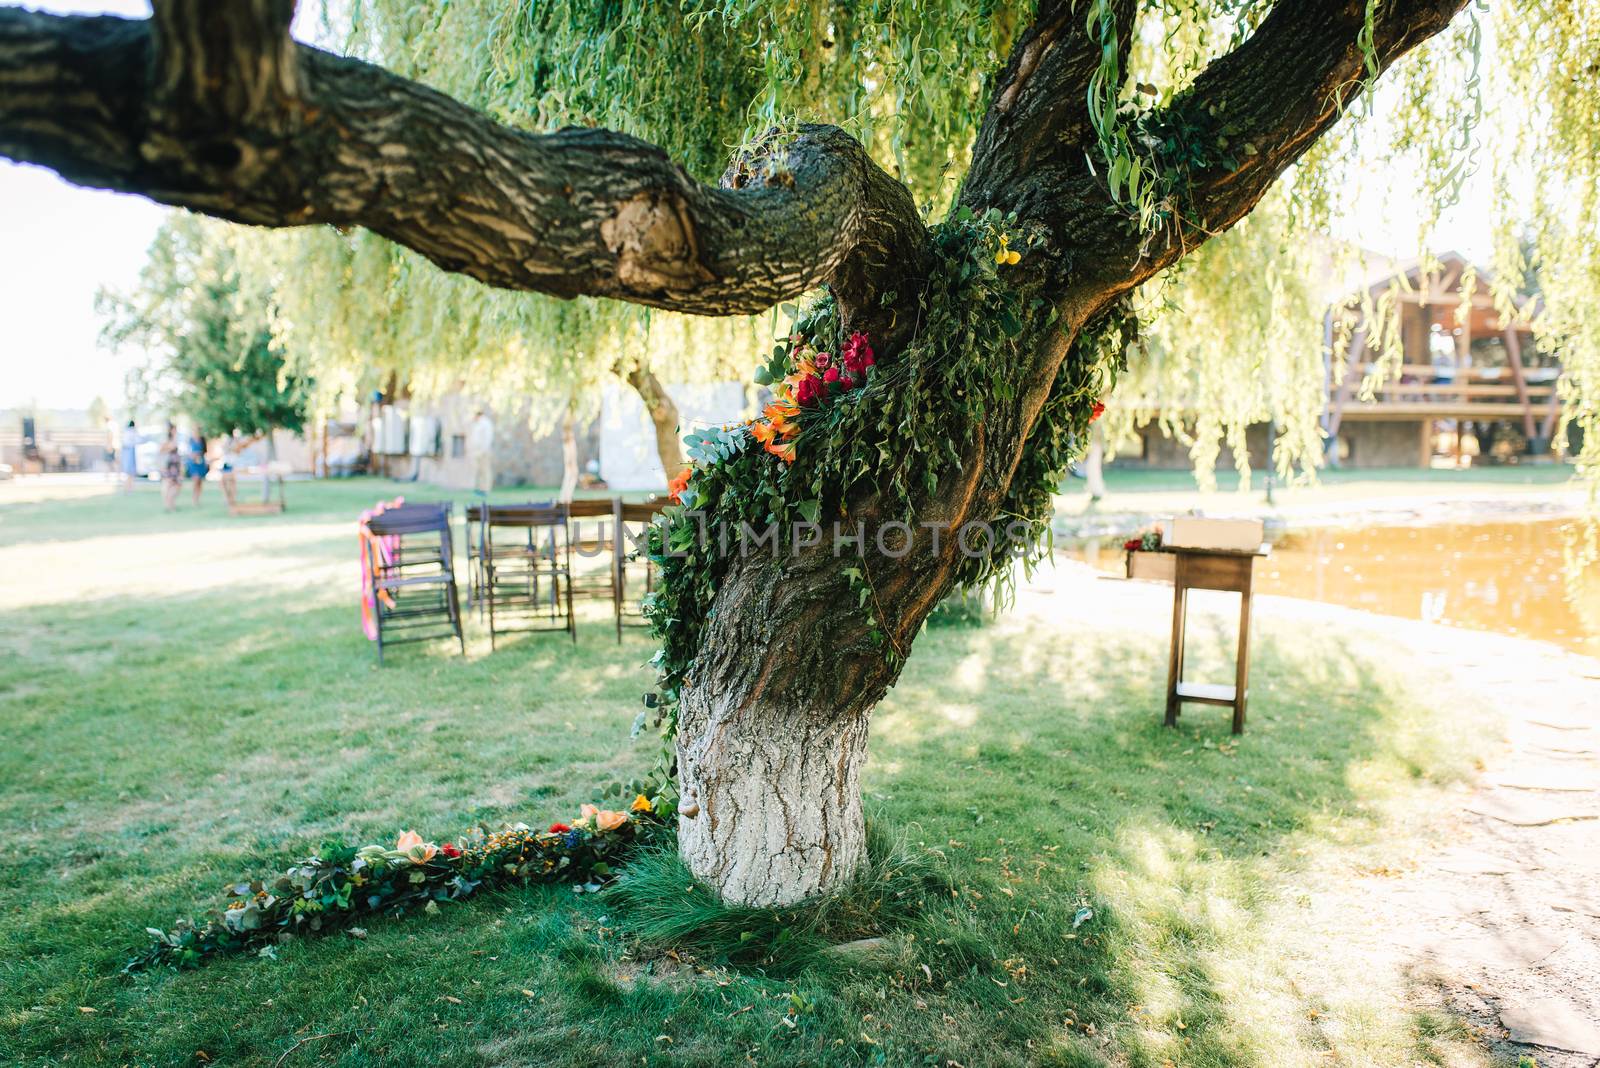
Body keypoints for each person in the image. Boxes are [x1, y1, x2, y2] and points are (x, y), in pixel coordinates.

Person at [468, 407, 495, 494]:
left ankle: (485, 489)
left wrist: (483, 451)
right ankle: (479, 488)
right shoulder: (477, 423)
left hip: (483, 451)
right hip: (477, 451)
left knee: (485, 470)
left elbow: (487, 438)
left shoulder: (486, 423)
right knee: (479, 470)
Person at [159, 423, 181, 511]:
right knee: (168, 484)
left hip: (175, 465)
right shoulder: (167, 440)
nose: (176, 432)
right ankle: (168, 504)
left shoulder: (175, 440)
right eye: (174, 430)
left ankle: (171, 503)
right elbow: (161, 451)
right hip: (169, 465)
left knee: (177, 484)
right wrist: (170, 448)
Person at [185, 428, 209, 505]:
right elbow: (187, 451)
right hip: (193, 463)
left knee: (200, 482)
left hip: (201, 462)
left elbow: (205, 451)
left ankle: (198, 498)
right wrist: (192, 456)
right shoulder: (190, 440)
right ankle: (194, 498)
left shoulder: (202, 439)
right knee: (195, 480)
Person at [119, 420, 140, 492]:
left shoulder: (126, 431)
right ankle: (129, 488)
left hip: (126, 451)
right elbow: (138, 440)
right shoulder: (132, 432)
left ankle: (128, 488)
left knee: (128, 473)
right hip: (130, 451)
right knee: (130, 472)